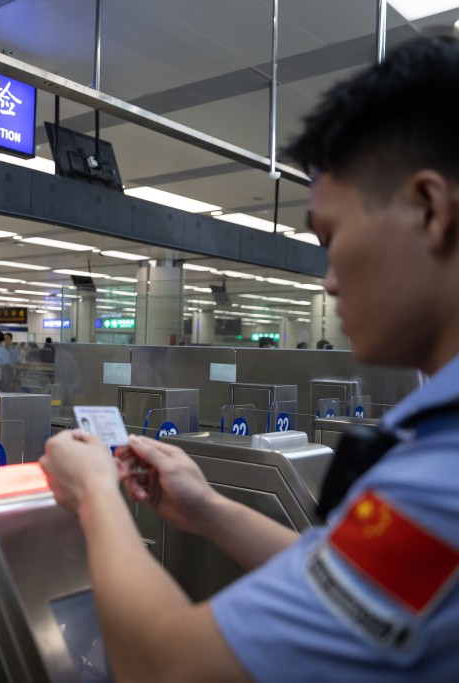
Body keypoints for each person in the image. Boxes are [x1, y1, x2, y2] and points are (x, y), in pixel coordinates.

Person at [39, 36, 459, 682]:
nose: (328, 281)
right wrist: (208, 509)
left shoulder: (440, 471)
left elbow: (168, 666)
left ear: (428, 210)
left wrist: (95, 492)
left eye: (331, 237)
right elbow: (354, 580)